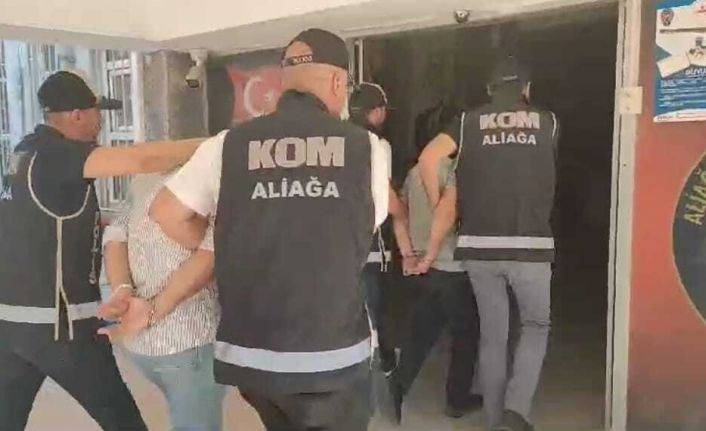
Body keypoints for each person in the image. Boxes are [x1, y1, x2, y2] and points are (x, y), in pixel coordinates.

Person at [150, 29, 389, 431]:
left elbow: (166, 212)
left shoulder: (226, 145)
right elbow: (367, 223)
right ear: (338, 83)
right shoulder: (366, 148)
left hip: (252, 358)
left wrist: (229, 250)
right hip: (330, 357)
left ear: (283, 82)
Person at [0, 70, 202, 431]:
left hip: (12, 324)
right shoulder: (58, 156)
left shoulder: (26, 151)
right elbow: (142, 160)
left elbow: (47, 221)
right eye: (97, 113)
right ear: (77, 115)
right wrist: (223, 144)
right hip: (63, 326)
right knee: (123, 422)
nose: (100, 123)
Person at [418, 54, 559, 431]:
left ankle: (495, 421)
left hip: (478, 246)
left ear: (489, 90)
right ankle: (516, 412)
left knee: (493, 335)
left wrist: (439, 204)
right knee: (535, 325)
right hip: (531, 246)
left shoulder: (467, 123)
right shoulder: (548, 122)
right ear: (527, 89)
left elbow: (428, 158)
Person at [99, 169, 225, 431]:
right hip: (188, 340)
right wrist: (151, 310)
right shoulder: (210, 178)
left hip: (140, 343)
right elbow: (212, 255)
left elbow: (115, 234)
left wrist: (122, 289)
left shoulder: (144, 178)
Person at [388, 130, 482, 424]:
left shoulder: (414, 173)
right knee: (466, 335)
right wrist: (431, 254)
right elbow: (448, 217)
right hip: (451, 265)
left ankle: (396, 387)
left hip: (423, 269)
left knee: (421, 332)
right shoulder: (456, 170)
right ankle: (457, 399)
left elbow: (400, 216)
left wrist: (409, 255)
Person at [349, 82, 415, 376]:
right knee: (373, 312)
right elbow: (386, 199)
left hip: (334, 244)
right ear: (376, 112)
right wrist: (406, 216)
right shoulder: (377, 145)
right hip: (366, 244)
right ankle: (380, 370)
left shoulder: (335, 140)